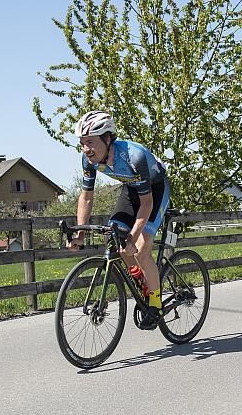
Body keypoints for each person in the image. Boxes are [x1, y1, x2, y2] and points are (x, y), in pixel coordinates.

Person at [66, 110, 169, 330]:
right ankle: (141, 280)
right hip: (131, 190)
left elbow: (147, 204)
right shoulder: (88, 160)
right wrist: (80, 234)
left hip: (155, 191)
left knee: (140, 248)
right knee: (114, 239)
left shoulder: (134, 157)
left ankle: (156, 301)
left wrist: (133, 236)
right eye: (82, 143)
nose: (86, 149)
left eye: (90, 142)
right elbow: (86, 197)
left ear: (108, 139)